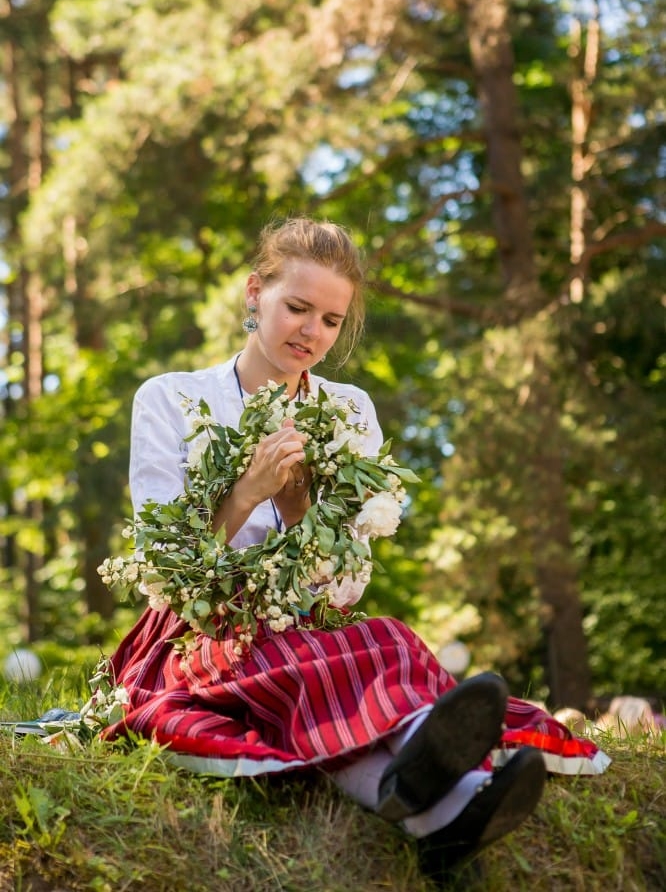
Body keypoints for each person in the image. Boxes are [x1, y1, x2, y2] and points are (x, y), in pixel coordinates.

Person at [103, 217, 609, 882]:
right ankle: (447, 808)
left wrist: (298, 510)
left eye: (331, 320)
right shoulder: (171, 399)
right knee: (300, 661)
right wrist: (247, 494)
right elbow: (168, 576)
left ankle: (442, 810)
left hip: (307, 625)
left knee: (388, 640)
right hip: (199, 632)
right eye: (297, 307)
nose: (311, 332)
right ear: (254, 294)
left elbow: (343, 590)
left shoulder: (350, 412)